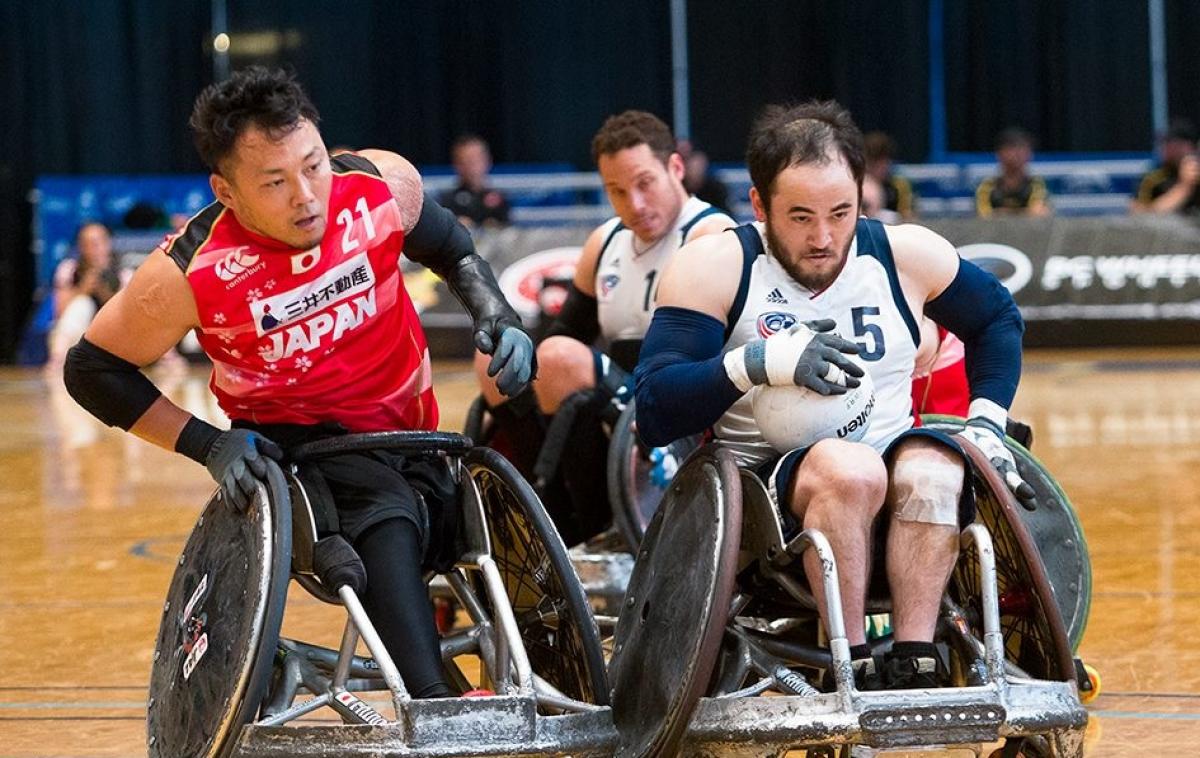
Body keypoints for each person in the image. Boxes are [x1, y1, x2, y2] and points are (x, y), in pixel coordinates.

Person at [62, 67, 534, 700]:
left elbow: (452, 250)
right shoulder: (189, 271)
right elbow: (91, 370)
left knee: (492, 512)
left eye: (313, 166)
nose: (307, 196)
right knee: (386, 518)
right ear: (226, 192)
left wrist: (495, 311)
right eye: (275, 183)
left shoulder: (378, 183)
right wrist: (206, 443)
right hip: (306, 449)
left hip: (413, 428)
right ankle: (435, 703)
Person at [635, 100, 1032, 690]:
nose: (823, 238)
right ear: (759, 205)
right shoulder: (716, 267)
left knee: (936, 465)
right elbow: (654, 409)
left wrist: (987, 420)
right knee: (851, 472)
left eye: (840, 213)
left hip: (893, 470)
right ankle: (851, 661)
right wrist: (756, 363)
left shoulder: (904, 255)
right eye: (799, 217)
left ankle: (913, 658)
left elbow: (998, 317)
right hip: (766, 495)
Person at [474, 110, 733, 545]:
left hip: (682, 397)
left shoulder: (711, 233)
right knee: (494, 363)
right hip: (613, 395)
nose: (635, 204)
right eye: (616, 191)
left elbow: (714, 349)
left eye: (645, 183)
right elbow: (562, 332)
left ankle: (591, 527)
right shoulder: (606, 241)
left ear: (675, 168)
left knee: (560, 360)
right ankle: (550, 511)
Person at [46, 222, 125, 369]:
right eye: (87, 243)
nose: (94, 248)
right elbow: (60, 312)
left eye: (98, 242)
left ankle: (169, 359)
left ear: (108, 243)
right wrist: (83, 289)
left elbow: (129, 314)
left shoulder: (123, 272)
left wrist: (105, 293)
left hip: (112, 338)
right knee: (82, 304)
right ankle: (57, 359)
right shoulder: (68, 269)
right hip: (78, 338)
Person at [975, 127, 1051, 217]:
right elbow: (984, 215)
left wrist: (1001, 213)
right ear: (999, 153)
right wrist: (1024, 213)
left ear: (1029, 154)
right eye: (1011, 149)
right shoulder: (987, 186)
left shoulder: (1036, 184)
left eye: (1022, 149)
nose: (1016, 155)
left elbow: (1038, 213)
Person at [439, 134, 511, 227]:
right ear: (456, 164)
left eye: (475, 160)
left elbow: (507, 228)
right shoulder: (446, 202)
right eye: (464, 161)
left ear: (488, 161)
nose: (471, 167)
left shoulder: (500, 200)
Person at [1132, 118, 1200, 215]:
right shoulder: (1152, 177)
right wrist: (1185, 187)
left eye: (1171, 143)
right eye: (1164, 143)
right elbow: (1138, 214)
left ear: (1189, 147)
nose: (1165, 148)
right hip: (1163, 228)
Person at [863, 131, 915, 220]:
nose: (881, 167)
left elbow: (908, 217)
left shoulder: (899, 185)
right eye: (875, 163)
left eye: (884, 162)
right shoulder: (857, 186)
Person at [679, 139, 733, 214]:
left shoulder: (716, 189)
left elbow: (727, 218)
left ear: (702, 160)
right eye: (682, 159)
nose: (687, 164)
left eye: (690, 158)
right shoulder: (674, 190)